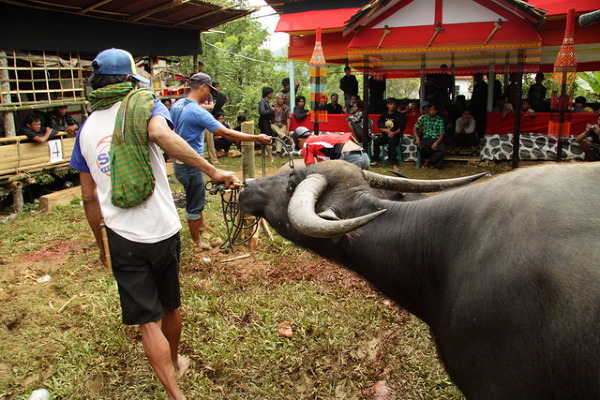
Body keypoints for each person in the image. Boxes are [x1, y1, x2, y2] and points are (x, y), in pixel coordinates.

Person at [69, 48, 240, 400]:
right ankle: (175, 360)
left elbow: (88, 198)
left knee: (148, 321)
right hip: (162, 230)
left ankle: (174, 394)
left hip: (121, 236)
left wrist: (101, 246)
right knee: (170, 306)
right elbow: (162, 136)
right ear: (131, 79)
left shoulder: (85, 129)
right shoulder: (145, 105)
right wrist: (213, 169)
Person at [170, 73, 271, 249]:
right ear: (203, 87)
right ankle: (197, 242)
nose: (209, 94)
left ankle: (202, 225)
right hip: (189, 163)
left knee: (197, 192)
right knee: (195, 202)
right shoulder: (197, 111)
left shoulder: (177, 105)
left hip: (180, 162)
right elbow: (226, 132)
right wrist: (256, 137)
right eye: (209, 90)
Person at [292, 127, 370, 169]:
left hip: (350, 159)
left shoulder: (307, 144)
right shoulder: (320, 139)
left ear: (299, 140)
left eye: (299, 146)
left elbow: (311, 169)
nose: (301, 149)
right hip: (364, 157)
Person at [372, 98, 406, 169]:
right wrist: (385, 130)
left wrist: (394, 133)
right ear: (387, 105)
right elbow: (379, 126)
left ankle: (394, 163)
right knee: (376, 141)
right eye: (390, 104)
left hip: (395, 136)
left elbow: (401, 129)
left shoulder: (399, 115)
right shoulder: (384, 115)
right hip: (385, 135)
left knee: (392, 142)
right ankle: (376, 160)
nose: (392, 106)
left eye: (394, 104)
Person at [413, 104, 446, 169]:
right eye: (431, 110)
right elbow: (415, 127)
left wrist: (436, 142)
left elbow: (441, 134)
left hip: (436, 138)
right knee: (421, 147)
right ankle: (429, 161)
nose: (432, 111)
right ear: (428, 110)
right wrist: (417, 137)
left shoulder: (440, 120)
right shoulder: (424, 118)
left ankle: (430, 162)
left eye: (434, 110)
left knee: (443, 151)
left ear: (436, 111)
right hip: (426, 137)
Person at [270, 92, 291, 156]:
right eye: (279, 99)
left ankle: (278, 152)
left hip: (283, 125)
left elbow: (288, 118)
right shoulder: (272, 106)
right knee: (272, 126)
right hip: (274, 125)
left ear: (283, 100)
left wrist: (287, 129)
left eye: (282, 99)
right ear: (276, 99)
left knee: (279, 136)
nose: (280, 100)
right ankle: (285, 136)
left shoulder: (286, 108)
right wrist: (271, 110)